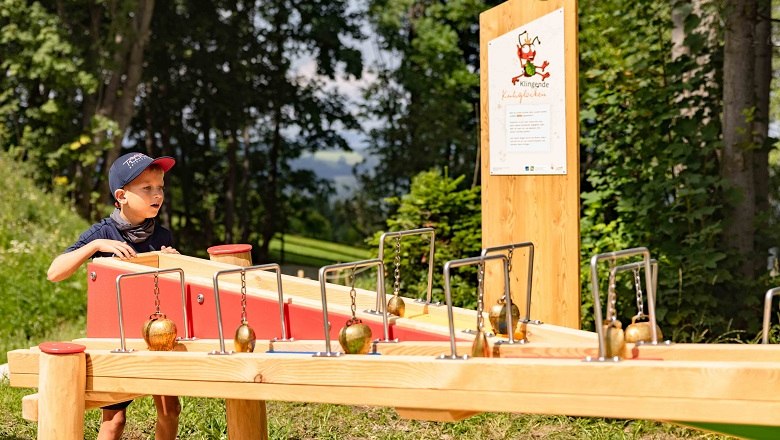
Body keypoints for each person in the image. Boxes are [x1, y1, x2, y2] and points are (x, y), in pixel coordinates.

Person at [47, 152, 181, 440]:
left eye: (160, 188)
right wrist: (95, 246)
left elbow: (170, 288)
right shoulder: (103, 233)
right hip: (116, 337)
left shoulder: (162, 236)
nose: (157, 194)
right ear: (121, 196)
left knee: (170, 411)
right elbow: (54, 272)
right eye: (147, 188)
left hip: (157, 335)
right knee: (115, 421)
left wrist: (172, 262)